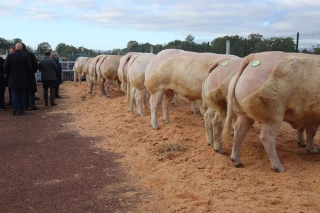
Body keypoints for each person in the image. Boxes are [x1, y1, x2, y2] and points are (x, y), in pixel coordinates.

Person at [3, 43, 33, 115]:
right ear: (21, 48)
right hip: (23, 79)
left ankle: (16, 110)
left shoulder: (10, 56)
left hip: (13, 78)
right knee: (22, 95)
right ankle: (22, 109)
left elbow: (5, 68)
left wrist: (9, 74)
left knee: (14, 94)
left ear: (15, 48)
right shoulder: (25, 57)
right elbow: (29, 68)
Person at [22, 43, 39, 110]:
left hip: (23, 75)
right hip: (31, 75)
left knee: (25, 91)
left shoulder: (21, 55)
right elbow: (35, 65)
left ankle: (26, 105)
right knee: (32, 91)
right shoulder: (31, 54)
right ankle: (32, 105)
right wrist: (33, 71)